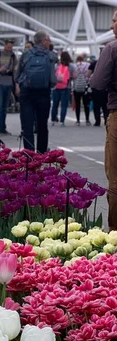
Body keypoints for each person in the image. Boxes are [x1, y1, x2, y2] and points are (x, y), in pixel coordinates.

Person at [91, 9, 117, 230]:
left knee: (115, 176)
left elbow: (97, 83)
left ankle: (115, 231)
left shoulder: (111, 49)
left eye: (115, 21)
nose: (112, 25)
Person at [16, 30, 57, 153]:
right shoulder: (51, 55)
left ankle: (29, 152)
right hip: (43, 93)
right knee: (42, 125)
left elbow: (17, 75)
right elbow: (53, 79)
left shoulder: (26, 55)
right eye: (49, 40)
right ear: (44, 41)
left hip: (27, 93)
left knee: (27, 125)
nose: (50, 42)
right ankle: (41, 152)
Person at [0, 39, 17, 135]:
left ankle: (3, 127)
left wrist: (16, 86)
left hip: (9, 83)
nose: (9, 48)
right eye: (8, 46)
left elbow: (14, 71)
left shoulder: (13, 56)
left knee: (5, 107)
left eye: (11, 47)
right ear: (5, 45)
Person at [51, 51, 72, 127]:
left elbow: (53, 74)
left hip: (56, 87)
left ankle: (53, 120)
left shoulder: (57, 66)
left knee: (55, 104)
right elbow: (74, 75)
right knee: (64, 105)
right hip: (65, 88)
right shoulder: (70, 66)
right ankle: (62, 122)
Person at [88, 56, 109, 126]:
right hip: (105, 87)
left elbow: (88, 74)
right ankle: (106, 120)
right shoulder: (108, 63)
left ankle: (97, 121)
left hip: (95, 88)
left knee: (96, 106)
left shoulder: (93, 63)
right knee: (105, 106)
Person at [72, 55, 92, 126]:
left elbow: (73, 76)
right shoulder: (87, 65)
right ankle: (87, 120)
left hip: (76, 87)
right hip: (85, 87)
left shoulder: (74, 66)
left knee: (77, 104)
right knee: (86, 104)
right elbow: (89, 75)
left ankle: (78, 121)